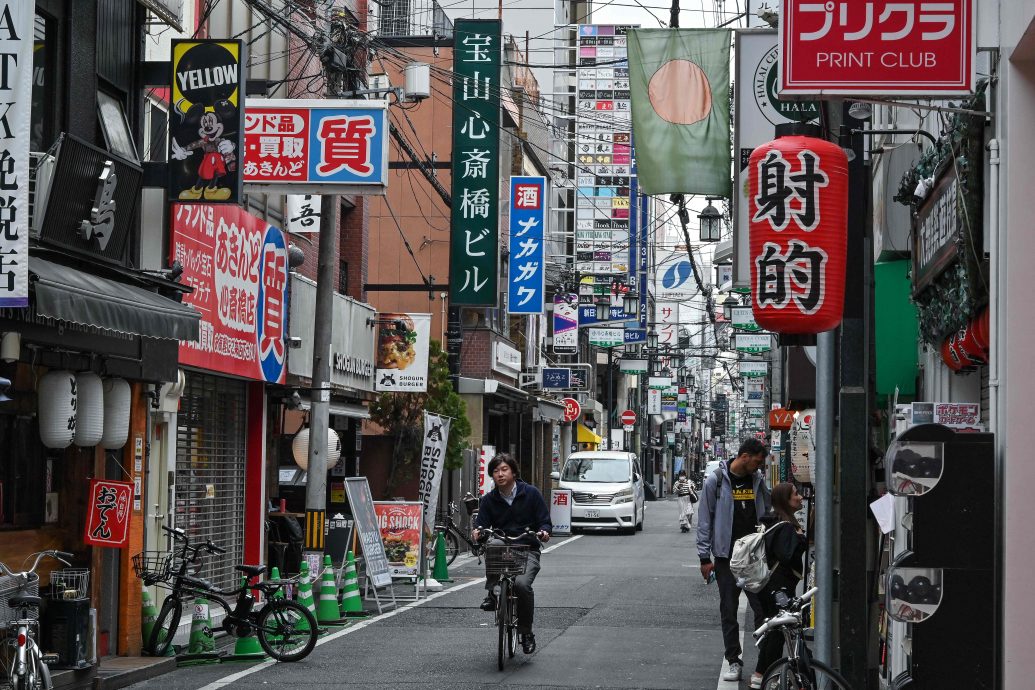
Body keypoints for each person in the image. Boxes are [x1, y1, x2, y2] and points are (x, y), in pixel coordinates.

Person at [696, 437, 772, 682]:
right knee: (728, 610)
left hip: (754, 557)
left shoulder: (758, 481)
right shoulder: (715, 481)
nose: (759, 467)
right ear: (745, 456)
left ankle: (764, 662)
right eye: (757, 461)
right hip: (726, 557)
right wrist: (703, 557)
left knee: (763, 611)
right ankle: (733, 661)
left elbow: (767, 512)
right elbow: (705, 520)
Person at [472, 453, 552, 654]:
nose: (500, 474)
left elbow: (544, 521)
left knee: (521, 585)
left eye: (504, 469)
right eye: (496, 471)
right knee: (494, 543)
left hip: (528, 549)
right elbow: (481, 523)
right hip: (503, 547)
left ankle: (526, 633)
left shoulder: (531, 494)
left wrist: (544, 532)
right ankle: (492, 592)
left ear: (514, 472)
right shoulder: (489, 500)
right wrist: (478, 531)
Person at [749, 482, 807, 688]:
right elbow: (786, 554)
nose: (800, 497)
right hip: (779, 587)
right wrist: (800, 539)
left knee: (775, 629)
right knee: (777, 631)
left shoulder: (773, 521)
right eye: (796, 494)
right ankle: (761, 674)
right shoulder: (785, 526)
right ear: (785, 500)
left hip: (768, 585)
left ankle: (763, 674)